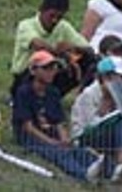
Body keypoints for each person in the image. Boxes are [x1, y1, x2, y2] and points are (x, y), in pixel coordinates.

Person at [12, 50, 102, 179]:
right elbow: (28, 127)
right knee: (58, 153)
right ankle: (83, 174)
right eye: (46, 68)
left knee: (77, 150)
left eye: (54, 67)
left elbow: (58, 121)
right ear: (33, 70)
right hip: (30, 138)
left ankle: (106, 170)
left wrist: (64, 138)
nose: (52, 71)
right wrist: (51, 142)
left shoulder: (53, 92)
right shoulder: (23, 92)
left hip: (51, 133)